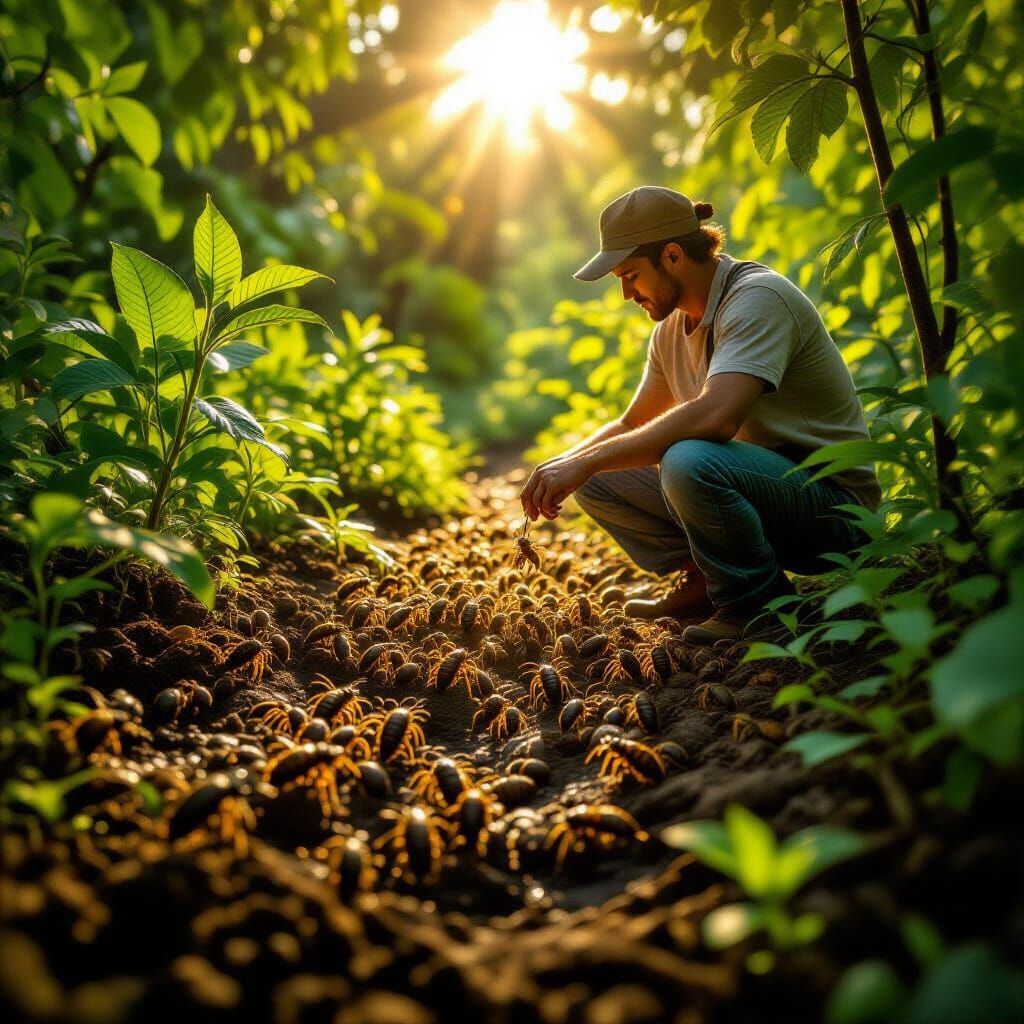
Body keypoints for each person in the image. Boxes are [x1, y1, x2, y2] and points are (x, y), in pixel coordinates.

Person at [519, 186, 881, 645]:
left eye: (630, 276)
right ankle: (707, 582)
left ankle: (754, 605)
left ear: (672, 255)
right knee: (597, 473)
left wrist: (585, 460)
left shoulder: (758, 298)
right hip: (757, 492)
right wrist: (564, 465)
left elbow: (717, 417)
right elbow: (632, 424)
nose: (626, 293)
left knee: (689, 458)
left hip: (833, 512)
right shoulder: (671, 327)